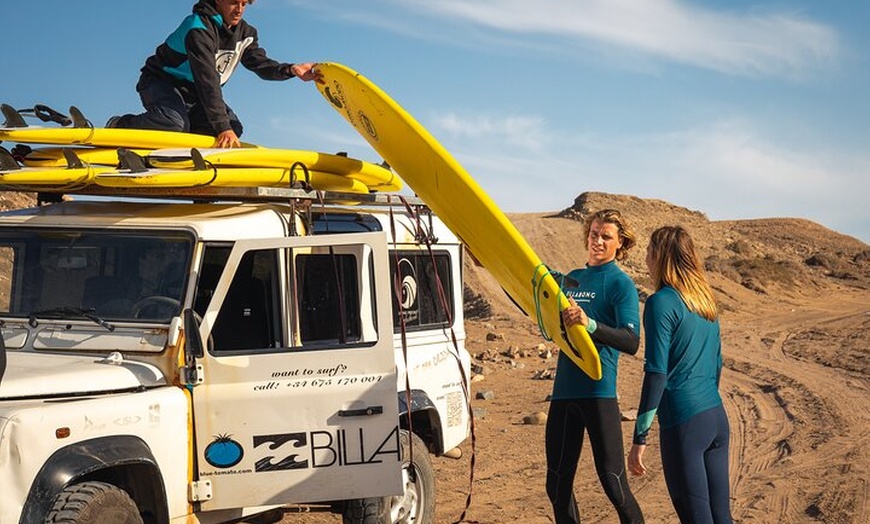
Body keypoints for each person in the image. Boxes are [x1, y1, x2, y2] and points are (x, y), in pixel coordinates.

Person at [107, 0, 320, 148]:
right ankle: (121, 125)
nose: (239, 10)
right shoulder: (198, 27)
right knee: (175, 123)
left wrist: (292, 69)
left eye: (244, 4)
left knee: (232, 128)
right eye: (233, 2)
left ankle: (196, 171)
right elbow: (207, 79)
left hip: (196, 94)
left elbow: (261, 65)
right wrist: (221, 127)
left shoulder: (246, 34)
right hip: (161, 82)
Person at [628, 226, 733, 524]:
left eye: (649, 252)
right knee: (721, 517)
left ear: (660, 256)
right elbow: (717, 364)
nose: (646, 258)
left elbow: (656, 373)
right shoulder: (705, 303)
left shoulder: (661, 302)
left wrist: (640, 437)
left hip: (684, 423)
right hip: (715, 418)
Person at [546, 209, 645, 524]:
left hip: (598, 391)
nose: (598, 241)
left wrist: (590, 324)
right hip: (563, 392)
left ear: (620, 244)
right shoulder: (572, 278)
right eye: (594, 234)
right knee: (557, 485)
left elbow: (631, 340)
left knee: (613, 483)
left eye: (606, 237)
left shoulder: (620, 283)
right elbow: (534, 292)